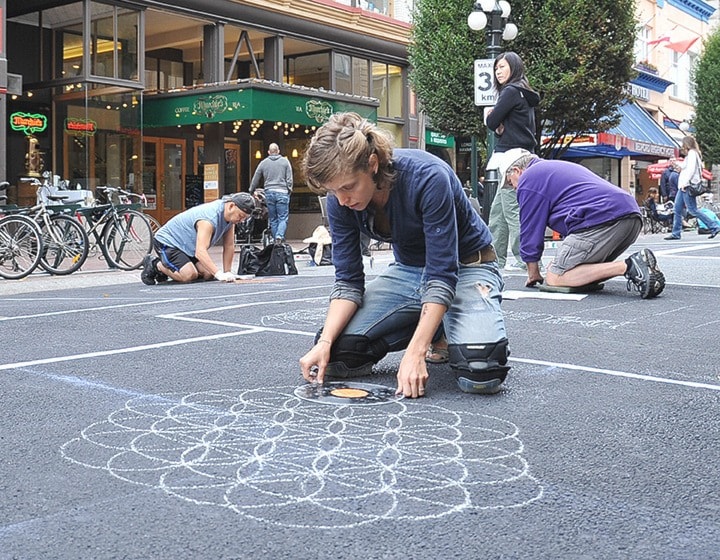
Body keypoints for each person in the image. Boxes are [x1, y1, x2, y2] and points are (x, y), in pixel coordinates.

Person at [298, 112, 510, 397]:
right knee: (338, 354)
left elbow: (442, 274)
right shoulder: (340, 201)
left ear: (372, 164)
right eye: (333, 191)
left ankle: (446, 330)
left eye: (348, 187)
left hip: (467, 265)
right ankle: (435, 328)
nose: (342, 200)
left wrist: (415, 352)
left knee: (482, 369)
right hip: (410, 270)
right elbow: (348, 281)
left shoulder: (427, 177)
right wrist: (324, 342)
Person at [498, 148, 665, 299]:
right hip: (629, 216)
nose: (513, 188)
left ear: (516, 171)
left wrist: (533, 273)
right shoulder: (553, 168)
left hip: (600, 219)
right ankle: (641, 270)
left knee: (556, 277)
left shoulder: (529, 178)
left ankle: (629, 265)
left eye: (509, 182)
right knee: (574, 272)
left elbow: (530, 229)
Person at [485, 52, 540, 271]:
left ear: (514, 68)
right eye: (496, 68)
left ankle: (527, 261)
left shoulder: (510, 91)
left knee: (512, 211)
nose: (498, 72)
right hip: (522, 155)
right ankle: (495, 261)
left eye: (503, 67)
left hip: (512, 160)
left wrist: (490, 116)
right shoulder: (524, 93)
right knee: (498, 213)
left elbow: (492, 122)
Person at [140, 193, 256, 285]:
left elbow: (229, 246)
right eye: (240, 216)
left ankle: (172, 269)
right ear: (231, 206)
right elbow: (200, 252)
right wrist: (219, 274)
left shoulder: (230, 218)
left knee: (208, 274)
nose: (241, 220)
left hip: (188, 246)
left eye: (244, 218)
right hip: (168, 242)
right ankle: (155, 264)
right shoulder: (209, 219)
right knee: (189, 275)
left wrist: (228, 272)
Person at [664, 136, 720, 240]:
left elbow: (690, 170)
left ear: (686, 144)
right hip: (684, 186)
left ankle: (714, 226)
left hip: (687, 186)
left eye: (683, 145)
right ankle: (676, 233)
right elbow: (684, 166)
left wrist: (685, 183)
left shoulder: (692, 154)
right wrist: (675, 163)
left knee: (693, 210)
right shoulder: (692, 155)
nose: (682, 147)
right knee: (677, 209)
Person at [250, 143, 293, 243]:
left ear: (269, 152)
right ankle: (279, 236)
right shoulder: (285, 162)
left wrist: (251, 190)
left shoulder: (263, 163)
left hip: (269, 192)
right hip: (282, 192)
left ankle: (275, 240)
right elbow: (289, 179)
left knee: (273, 219)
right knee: (283, 217)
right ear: (278, 151)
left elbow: (256, 178)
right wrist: (288, 191)